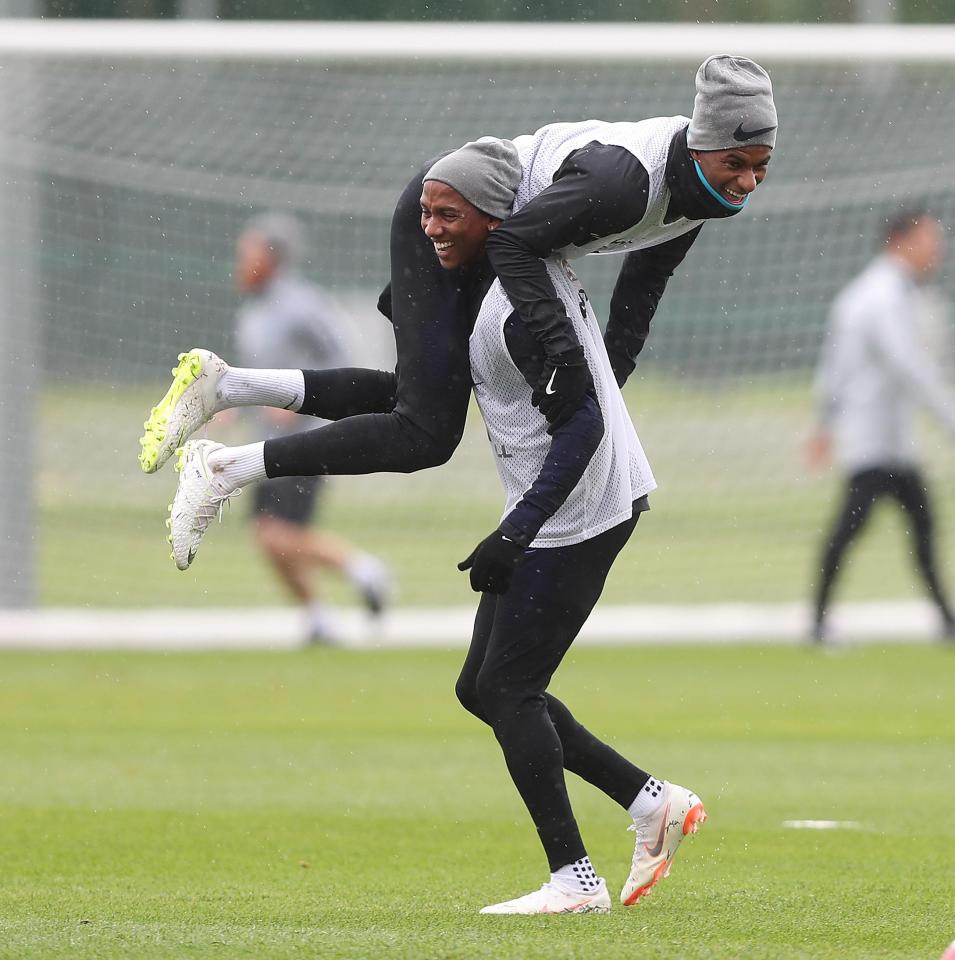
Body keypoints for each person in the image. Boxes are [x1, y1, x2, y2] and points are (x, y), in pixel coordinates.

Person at [139, 54, 777, 911]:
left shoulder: (523, 297)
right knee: (479, 673)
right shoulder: (545, 248)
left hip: (577, 509)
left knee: (501, 673)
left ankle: (575, 879)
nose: (746, 180)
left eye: (757, 163)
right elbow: (511, 297)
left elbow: (599, 371)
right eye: (734, 160)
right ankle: (650, 802)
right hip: (563, 482)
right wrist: (567, 378)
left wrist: (575, 403)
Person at [232, 212, 391, 642]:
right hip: (266, 443)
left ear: (270, 257)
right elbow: (259, 379)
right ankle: (319, 617)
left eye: (245, 252)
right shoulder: (253, 313)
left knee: (277, 534)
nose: (237, 262)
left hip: (305, 443)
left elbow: (342, 356)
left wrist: (303, 404)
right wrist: (229, 407)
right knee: (267, 537)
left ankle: (363, 570)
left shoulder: (302, 304)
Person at [807, 208, 955, 645]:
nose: (938, 248)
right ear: (901, 241)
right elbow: (909, 366)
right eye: (930, 238)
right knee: (849, 529)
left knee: (923, 527)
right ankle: (817, 623)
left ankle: (945, 621)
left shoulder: (905, 293)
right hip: (870, 440)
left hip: (896, 442)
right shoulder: (880, 296)